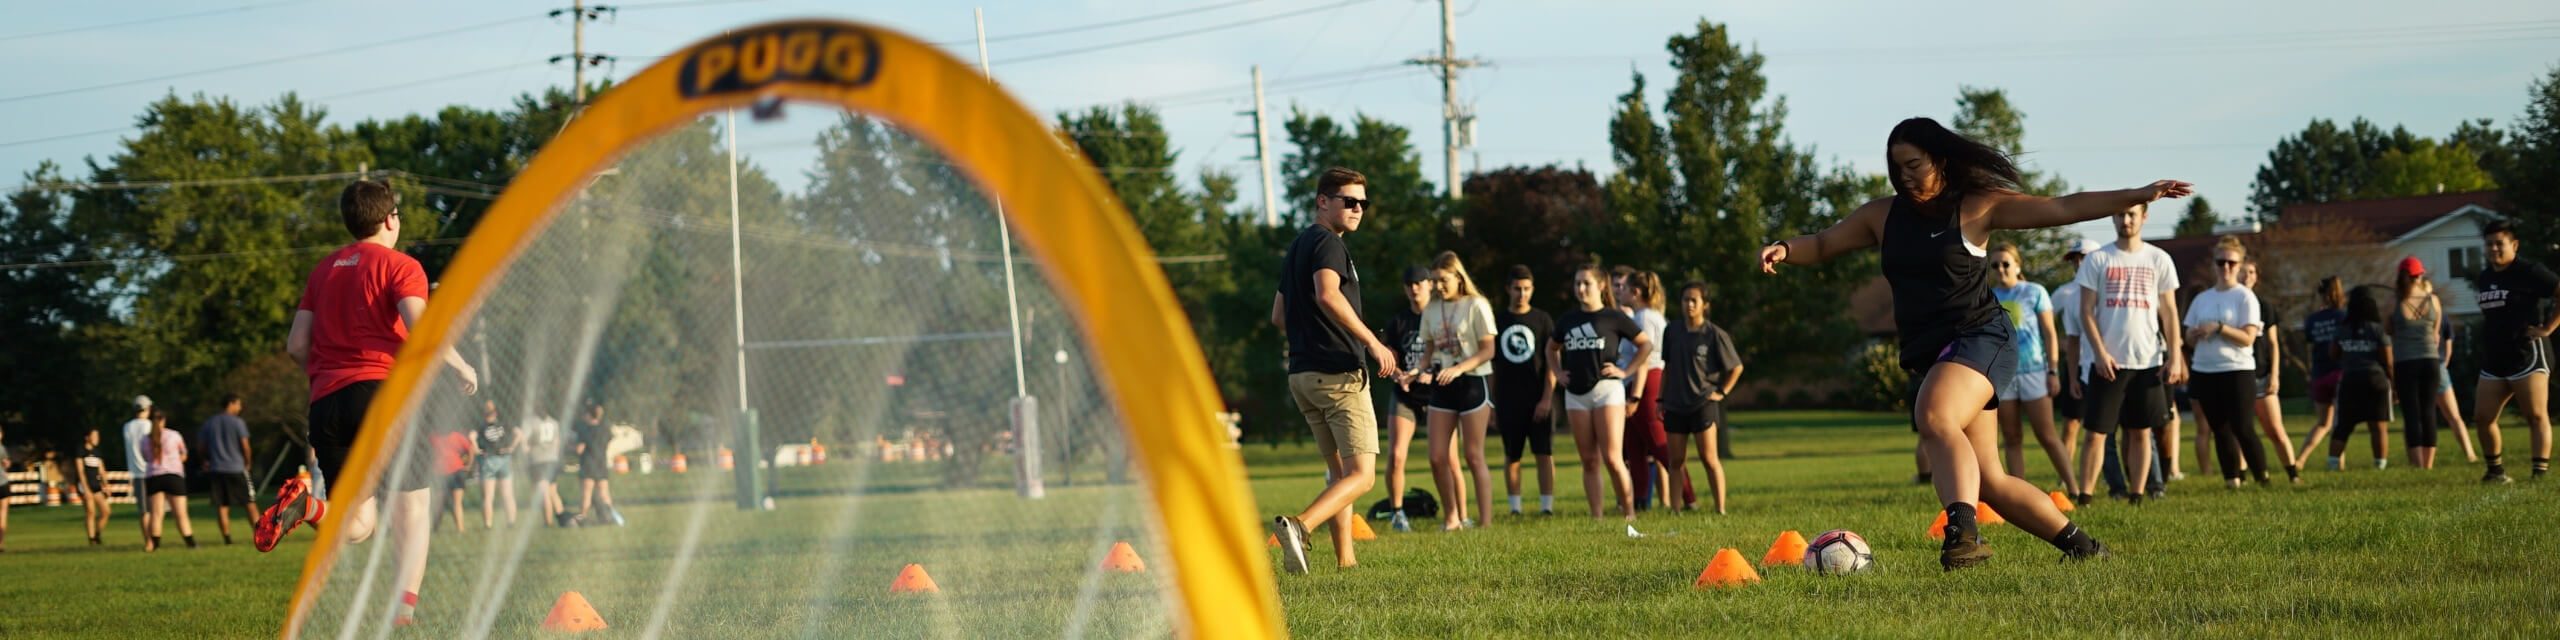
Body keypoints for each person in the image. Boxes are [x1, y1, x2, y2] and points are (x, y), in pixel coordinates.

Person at [1761, 117, 2166, 567]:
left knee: (1933, 414)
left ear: (1941, 160)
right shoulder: (1883, 214)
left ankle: (1962, 535)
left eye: (1914, 164)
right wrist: (1785, 247)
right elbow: (1822, 242)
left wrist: (2137, 194)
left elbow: (2061, 207)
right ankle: (2085, 549)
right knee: (1990, 479)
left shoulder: (1976, 206)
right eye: (1897, 169)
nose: (1906, 176)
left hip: (1980, 337)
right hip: (1934, 351)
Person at [256, 180, 480, 627]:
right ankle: (402, 614)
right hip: (385, 396)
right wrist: (459, 365)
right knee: (412, 505)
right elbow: (421, 327)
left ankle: (309, 505)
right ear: (390, 219)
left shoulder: (323, 271)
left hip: (328, 403)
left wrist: (328, 373)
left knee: (356, 524)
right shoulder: (402, 264)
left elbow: (297, 345)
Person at [1265, 166, 1398, 574]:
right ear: (1323, 201)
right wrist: (1372, 342)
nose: (1358, 209)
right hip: (1338, 375)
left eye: (1363, 203)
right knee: (1363, 475)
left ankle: (1346, 560)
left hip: (1303, 377)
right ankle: (1301, 527)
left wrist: (1310, 337)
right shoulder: (1328, 243)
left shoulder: (1298, 245)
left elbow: (1278, 316)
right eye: (1349, 201)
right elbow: (1327, 294)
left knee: (1339, 473)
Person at [2069, 201, 2184, 506]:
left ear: (2144, 217)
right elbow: (2086, 311)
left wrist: (2176, 354)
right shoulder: (2098, 259)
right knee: (2096, 432)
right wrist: (2099, 353)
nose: (2126, 219)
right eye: (2120, 213)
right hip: (2108, 362)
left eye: (2132, 213)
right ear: (2113, 217)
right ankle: (2085, 497)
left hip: (2147, 359)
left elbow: (2169, 312)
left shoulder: (2158, 258)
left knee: (2141, 431)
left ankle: (2136, 495)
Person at [1551, 264, 1651, 522]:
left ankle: (1629, 513)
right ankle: (1597, 516)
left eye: (1586, 283)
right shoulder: (1567, 320)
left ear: (1601, 286)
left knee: (1612, 457)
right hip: (1575, 394)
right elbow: (1551, 349)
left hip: (1607, 391)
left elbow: (1645, 344)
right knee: (1589, 459)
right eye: (1577, 284)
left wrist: (1626, 370)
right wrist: (1558, 373)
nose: (1581, 289)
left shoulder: (1613, 317)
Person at [2469, 220, 2559, 483]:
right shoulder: (2485, 277)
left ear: (2514, 245)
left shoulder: (2529, 271)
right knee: (2483, 417)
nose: (2494, 248)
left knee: (2536, 415)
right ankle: (2495, 472)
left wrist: (2548, 328)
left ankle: (2539, 474)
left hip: (2527, 354)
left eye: (2500, 243)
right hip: (2496, 358)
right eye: (2489, 244)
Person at [2184, 237, 2275, 487]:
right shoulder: (2202, 298)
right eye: (2221, 262)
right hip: (2204, 370)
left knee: (2243, 428)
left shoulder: (2245, 297)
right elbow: (2187, 336)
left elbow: (2247, 338)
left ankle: (2262, 477)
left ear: (2239, 265)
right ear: (2213, 264)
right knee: (2219, 429)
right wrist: (2191, 334)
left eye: (2231, 263)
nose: (2226, 267)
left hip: (2237, 370)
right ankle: (2232, 480)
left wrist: (2219, 327)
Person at [1420, 251, 1500, 530]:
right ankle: (1451, 518)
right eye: (1434, 281)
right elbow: (1428, 350)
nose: (1438, 286)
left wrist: (1459, 368)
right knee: (1437, 457)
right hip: (1443, 385)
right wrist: (1417, 372)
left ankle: (1485, 522)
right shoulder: (1430, 309)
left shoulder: (1476, 305)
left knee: (1473, 456)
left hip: (1472, 384)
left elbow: (1488, 349)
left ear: (1458, 276)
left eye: (1443, 280)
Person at [1990, 244, 2074, 489]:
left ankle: (2075, 489)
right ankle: (2020, 495)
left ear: (2017, 265)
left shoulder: (2034, 292)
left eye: (2006, 263)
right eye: (1995, 265)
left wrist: (2053, 371)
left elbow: (2049, 333)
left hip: (2035, 371)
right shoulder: (1988, 296)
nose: (2001, 269)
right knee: (2012, 437)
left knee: (2046, 435)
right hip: (2003, 376)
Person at [1658, 282, 1742, 514]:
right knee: (1675, 461)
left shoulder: (1715, 335)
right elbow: (1667, 367)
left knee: (1709, 458)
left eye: (1694, 300)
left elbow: (1736, 368)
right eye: (1686, 300)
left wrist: (1721, 392)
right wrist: (1660, 400)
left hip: (1702, 404)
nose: (1689, 305)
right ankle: (1675, 510)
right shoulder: (1672, 331)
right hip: (1674, 404)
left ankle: (1720, 509)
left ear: (1705, 305)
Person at [1490, 265, 1558, 516]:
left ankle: (1546, 507)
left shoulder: (1543, 320)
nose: (1522, 294)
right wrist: (1492, 404)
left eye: (1527, 289)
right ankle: (1515, 508)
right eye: (1517, 289)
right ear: (1508, 289)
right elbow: (1492, 366)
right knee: (1512, 456)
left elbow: (1553, 363)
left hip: (1538, 399)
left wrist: (1547, 399)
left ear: (1532, 289)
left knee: (1544, 453)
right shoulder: (1498, 322)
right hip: (1508, 401)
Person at [1375, 266, 1435, 532]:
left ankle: (1455, 513)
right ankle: (1398, 513)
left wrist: (1432, 375)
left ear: (1430, 285)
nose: (1414, 289)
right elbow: (1388, 358)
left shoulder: (1440, 318)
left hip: (1438, 395)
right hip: (1405, 395)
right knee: (1397, 455)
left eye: (1419, 283)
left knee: (1444, 458)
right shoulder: (1399, 322)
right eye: (1409, 284)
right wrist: (1399, 376)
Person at [1612, 268, 1672, 510]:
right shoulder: (1645, 315)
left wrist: (1635, 395)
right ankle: (1639, 501)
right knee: (1633, 445)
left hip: (1646, 381)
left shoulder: (1644, 317)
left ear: (1635, 292)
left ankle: (1688, 498)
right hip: (1636, 382)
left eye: (1625, 289)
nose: (1621, 292)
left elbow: (1644, 356)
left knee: (1658, 443)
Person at [2238, 258, 2301, 483]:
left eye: (2251, 272)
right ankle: (2241, 477)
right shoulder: (2231, 304)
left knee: (2274, 429)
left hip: (2263, 375)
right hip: (2238, 374)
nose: (2247, 276)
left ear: (2257, 277)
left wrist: (2275, 374)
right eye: (2243, 272)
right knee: (2241, 431)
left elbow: (2273, 343)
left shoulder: (2264, 306)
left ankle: (2293, 474)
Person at [2390, 257, 2448, 469]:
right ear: (2420, 275)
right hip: (2430, 361)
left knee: (2411, 414)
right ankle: (2429, 464)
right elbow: (2435, 335)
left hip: (2405, 362)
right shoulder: (2434, 300)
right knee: (2428, 412)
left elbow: (2390, 330)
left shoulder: (2396, 301)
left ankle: (2417, 465)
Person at [2331, 286, 2395, 468]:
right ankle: (2380, 466)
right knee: (2378, 426)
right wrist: (2394, 385)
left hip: (2350, 379)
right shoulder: (2377, 330)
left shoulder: (2342, 329)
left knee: (2343, 426)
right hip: (2376, 379)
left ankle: (2333, 464)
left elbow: (2333, 353)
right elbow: (2388, 361)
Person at [2053, 240, 2098, 500]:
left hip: (2101, 365)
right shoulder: (2066, 293)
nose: (2077, 264)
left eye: (2082, 257)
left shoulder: (2105, 288)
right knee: (2071, 425)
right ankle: (2066, 476)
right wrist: (2061, 344)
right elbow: (2044, 319)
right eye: (2073, 259)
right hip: (2075, 367)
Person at [2292, 277, 2351, 470]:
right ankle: (2337, 464)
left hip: (2320, 374)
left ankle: (2300, 460)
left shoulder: (2312, 319)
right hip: (2340, 373)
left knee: (2322, 423)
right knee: (2339, 423)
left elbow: (2310, 339)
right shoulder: (2344, 316)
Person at [195, 394, 255, 545]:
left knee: (222, 506)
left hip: (217, 469)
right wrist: (248, 462)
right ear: (231, 403)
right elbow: (245, 446)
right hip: (237, 468)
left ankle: (227, 539)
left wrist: (204, 461)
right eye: (238, 404)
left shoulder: (210, 423)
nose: (240, 408)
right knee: (249, 503)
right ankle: (261, 535)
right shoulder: (238, 423)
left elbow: (201, 447)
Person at [139, 408, 196, 550]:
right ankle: (190, 543)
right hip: (173, 476)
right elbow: (183, 454)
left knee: (156, 514)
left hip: (153, 477)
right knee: (181, 513)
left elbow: (145, 457)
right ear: (164, 420)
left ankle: (156, 545)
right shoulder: (174, 435)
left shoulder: (145, 439)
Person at [473, 400, 522, 528]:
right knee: (507, 493)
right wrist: (511, 448)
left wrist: (476, 448)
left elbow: (471, 436)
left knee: (488, 496)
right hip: (504, 458)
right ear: (496, 413)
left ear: (484, 413)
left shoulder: (481, 425)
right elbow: (519, 433)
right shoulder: (503, 423)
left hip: (489, 459)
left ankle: (488, 524)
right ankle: (511, 522)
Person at [2435, 321, 2478, 462]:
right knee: (2454, 416)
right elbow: (2448, 345)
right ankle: (2470, 454)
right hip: (2438, 366)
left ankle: (2416, 460)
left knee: (2417, 417)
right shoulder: (2442, 315)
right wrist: (2444, 363)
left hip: (2416, 366)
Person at [573, 400, 618, 526]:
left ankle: (583, 518)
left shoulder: (585, 430)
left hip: (588, 464)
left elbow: (579, 449)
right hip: (601, 463)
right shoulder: (604, 429)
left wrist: (570, 446)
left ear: (589, 415)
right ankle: (612, 517)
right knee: (605, 494)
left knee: (586, 494)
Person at [120, 396, 152, 543]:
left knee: (144, 510)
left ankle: (148, 540)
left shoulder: (127, 427)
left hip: (136, 472)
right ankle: (153, 540)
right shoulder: (148, 425)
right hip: (151, 471)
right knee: (153, 510)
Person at [526, 412, 566, 527]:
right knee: (553, 492)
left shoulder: (532, 423)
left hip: (539, 460)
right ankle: (562, 519)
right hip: (552, 460)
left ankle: (548, 522)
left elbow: (526, 442)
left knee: (544, 494)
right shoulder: (554, 422)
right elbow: (556, 443)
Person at [76, 429, 112, 546]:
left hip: (96, 485)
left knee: (106, 511)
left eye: (97, 436)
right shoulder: (81, 450)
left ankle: (97, 533)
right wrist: (85, 488)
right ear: (87, 437)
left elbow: (102, 470)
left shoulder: (97, 452)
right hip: (85, 485)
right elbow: (80, 471)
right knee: (91, 512)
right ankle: (91, 539)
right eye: (94, 436)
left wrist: (106, 485)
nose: (97, 438)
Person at [437, 430, 477, 532]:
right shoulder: (456, 435)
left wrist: (469, 465)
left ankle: (458, 528)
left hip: (444, 473)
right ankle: (460, 529)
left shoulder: (433, 436)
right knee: (456, 503)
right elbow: (471, 449)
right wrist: (469, 465)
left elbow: (471, 449)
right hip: (452, 471)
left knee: (442, 503)